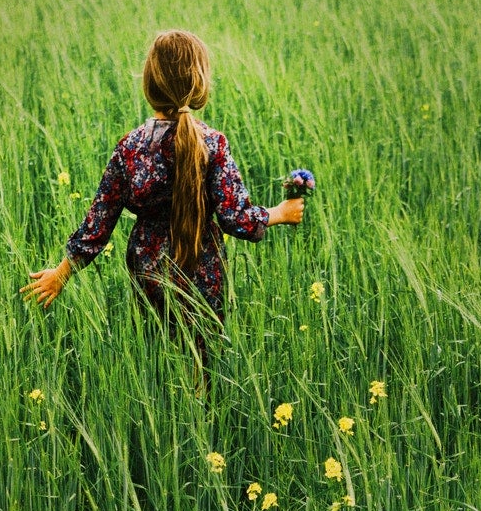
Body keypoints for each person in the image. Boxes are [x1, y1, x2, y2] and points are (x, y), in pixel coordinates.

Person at [21, 29, 304, 362]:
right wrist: (281, 212)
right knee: (201, 359)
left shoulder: (130, 148)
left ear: (149, 85)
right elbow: (236, 218)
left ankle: (162, 404)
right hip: (203, 267)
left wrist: (61, 272)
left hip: (148, 270)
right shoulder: (212, 145)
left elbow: (99, 222)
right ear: (198, 85)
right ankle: (202, 409)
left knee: (157, 356)